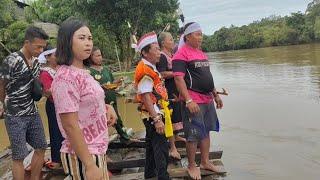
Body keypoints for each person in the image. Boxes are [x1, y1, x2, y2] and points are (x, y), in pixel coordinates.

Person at [51, 18, 117, 180]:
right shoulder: (65, 78)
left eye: (90, 38)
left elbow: (89, 100)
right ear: (67, 41)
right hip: (82, 155)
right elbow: (70, 125)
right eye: (81, 38)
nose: (88, 43)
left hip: (97, 149)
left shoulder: (83, 72)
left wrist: (107, 108)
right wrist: (88, 164)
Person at [172, 22, 224, 180]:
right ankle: (192, 165)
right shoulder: (180, 55)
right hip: (193, 101)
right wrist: (188, 100)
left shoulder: (201, 53)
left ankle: (205, 162)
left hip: (207, 99)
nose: (201, 37)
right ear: (188, 36)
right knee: (193, 135)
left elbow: (208, 76)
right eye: (197, 34)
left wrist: (215, 95)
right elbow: (179, 79)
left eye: (201, 34)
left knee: (206, 131)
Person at [0, 26, 48, 180]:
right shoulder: (11, 60)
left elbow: (36, 83)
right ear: (27, 42)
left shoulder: (36, 62)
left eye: (43, 47)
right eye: (38, 46)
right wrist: (2, 104)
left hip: (32, 112)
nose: (41, 50)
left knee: (41, 147)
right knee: (19, 156)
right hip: (15, 115)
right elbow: (1, 85)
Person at [134, 32, 170, 180]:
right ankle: (163, 176)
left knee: (150, 145)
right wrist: (156, 119)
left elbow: (153, 90)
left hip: (153, 112)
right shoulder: (145, 69)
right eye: (155, 49)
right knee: (161, 147)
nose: (159, 52)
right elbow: (146, 95)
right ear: (145, 52)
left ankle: (149, 174)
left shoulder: (150, 66)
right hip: (152, 114)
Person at [85, 47, 135, 144]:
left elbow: (112, 83)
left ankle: (125, 138)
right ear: (90, 57)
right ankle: (101, 145)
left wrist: (119, 81)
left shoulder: (106, 70)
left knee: (117, 119)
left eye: (101, 55)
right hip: (99, 102)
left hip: (111, 99)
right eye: (97, 56)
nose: (100, 58)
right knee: (101, 123)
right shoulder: (88, 72)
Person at [157, 32, 185, 160]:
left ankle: (177, 135)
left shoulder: (172, 55)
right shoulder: (162, 56)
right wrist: (176, 73)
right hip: (167, 91)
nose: (173, 41)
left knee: (177, 114)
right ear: (163, 43)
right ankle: (172, 147)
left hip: (175, 89)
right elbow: (162, 74)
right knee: (169, 117)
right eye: (170, 39)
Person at [38, 46, 64, 169]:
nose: (58, 56)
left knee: (67, 130)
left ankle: (67, 155)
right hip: (54, 105)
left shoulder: (61, 69)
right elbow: (48, 91)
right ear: (48, 57)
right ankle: (56, 159)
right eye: (55, 55)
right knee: (55, 131)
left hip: (65, 104)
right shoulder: (45, 73)